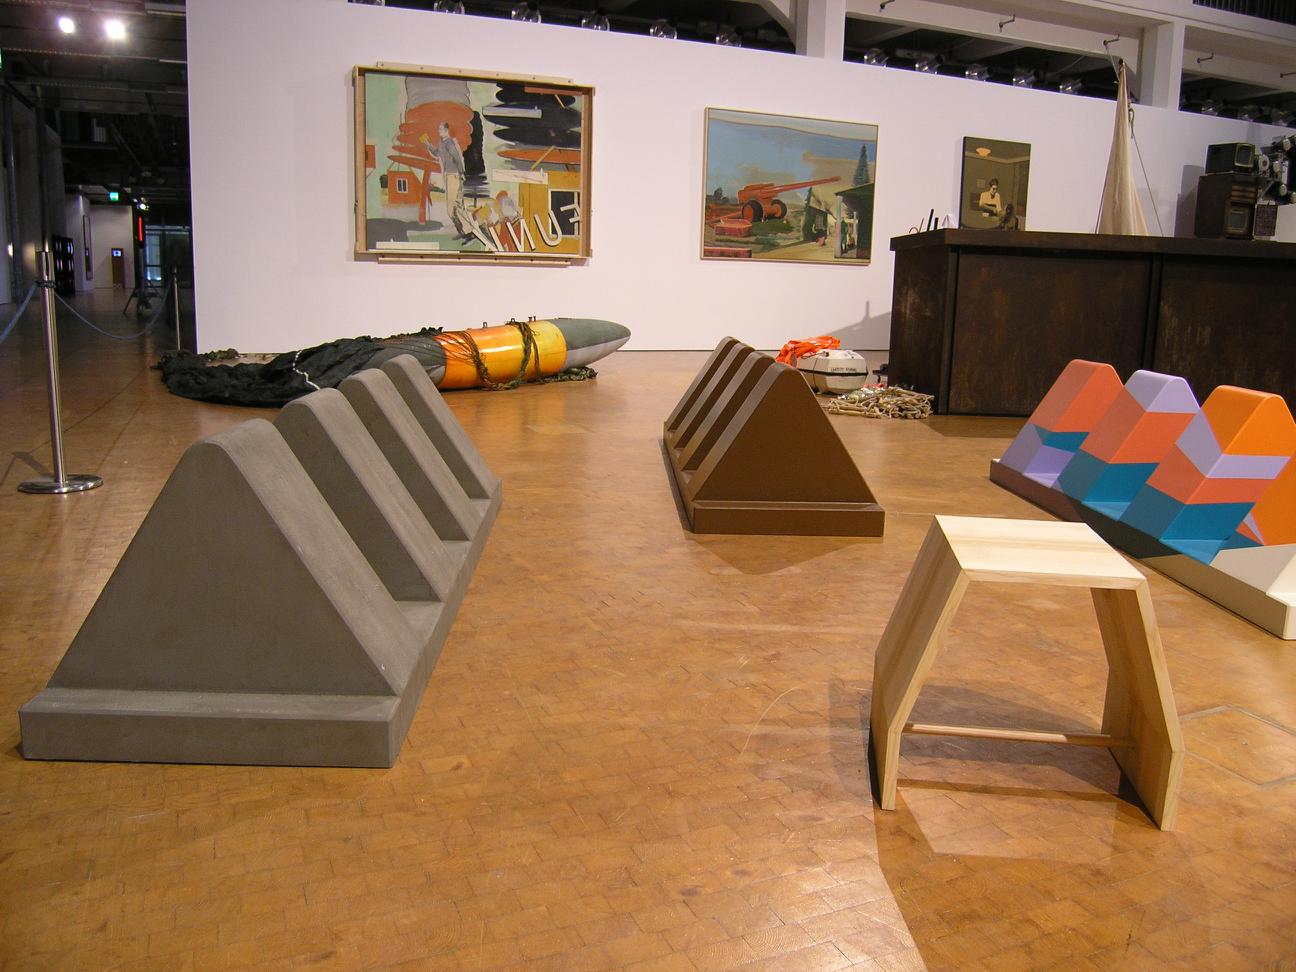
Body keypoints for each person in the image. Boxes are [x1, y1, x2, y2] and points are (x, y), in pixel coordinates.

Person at [426, 121, 467, 236]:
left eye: (440, 129)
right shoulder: (441, 143)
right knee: (455, 207)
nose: (438, 131)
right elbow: (436, 153)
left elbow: (457, 157)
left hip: (454, 175)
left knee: (451, 209)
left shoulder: (449, 143)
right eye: (438, 129)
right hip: (448, 176)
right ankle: (463, 232)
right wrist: (428, 144)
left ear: (446, 130)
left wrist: (461, 172)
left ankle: (465, 231)